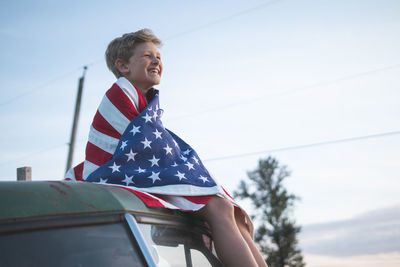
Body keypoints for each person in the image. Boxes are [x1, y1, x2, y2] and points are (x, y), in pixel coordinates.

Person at [66, 29, 267, 267]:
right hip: (110, 173)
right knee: (218, 207)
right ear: (123, 66)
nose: (156, 61)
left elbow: (158, 145)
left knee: (231, 211)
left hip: (133, 171)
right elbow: (148, 145)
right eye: (147, 56)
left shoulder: (145, 102)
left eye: (158, 57)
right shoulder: (120, 92)